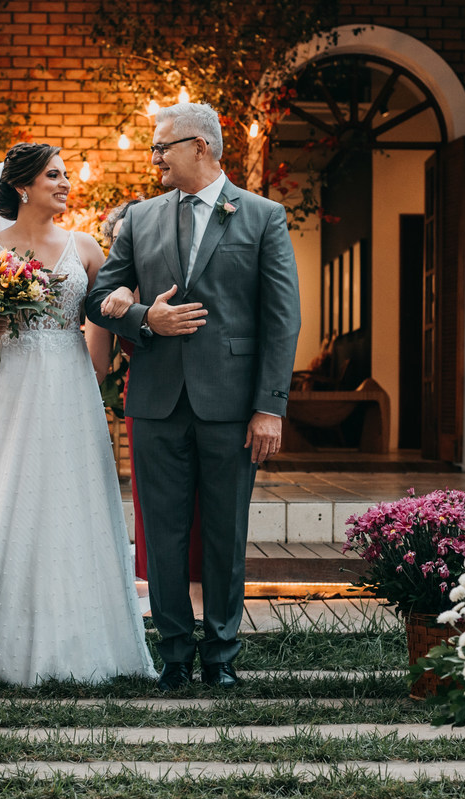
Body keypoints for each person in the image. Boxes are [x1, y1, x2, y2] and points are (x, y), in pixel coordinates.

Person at [0, 143, 154, 686]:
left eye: (65, 175)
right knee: (3, 493)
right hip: (7, 391)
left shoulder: (85, 248)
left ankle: (81, 632)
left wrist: (117, 313)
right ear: (22, 186)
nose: (65, 184)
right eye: (54, 176)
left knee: (69, 497)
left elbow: (102, 340)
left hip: (69, 390)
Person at [85, 103, 301, 691]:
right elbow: (98, 294)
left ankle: (222, 655)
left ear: (200, 147)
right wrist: (142, 317)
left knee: (227, 532)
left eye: (163, 147)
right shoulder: (139, 217)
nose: (154, 157)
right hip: (156, 400)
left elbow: (281, 321)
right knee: (163, 532)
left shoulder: (263, 217)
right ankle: (176, 654)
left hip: (233, 407)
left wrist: (269, 407)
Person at [99, 202, 204, 584]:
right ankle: (155, 575)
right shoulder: (117, 290)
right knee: (154, 498)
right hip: (148, 394)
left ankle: (200, 576)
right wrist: (127, 294)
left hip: (201, 391)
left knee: (200, 497)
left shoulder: (177, 274)